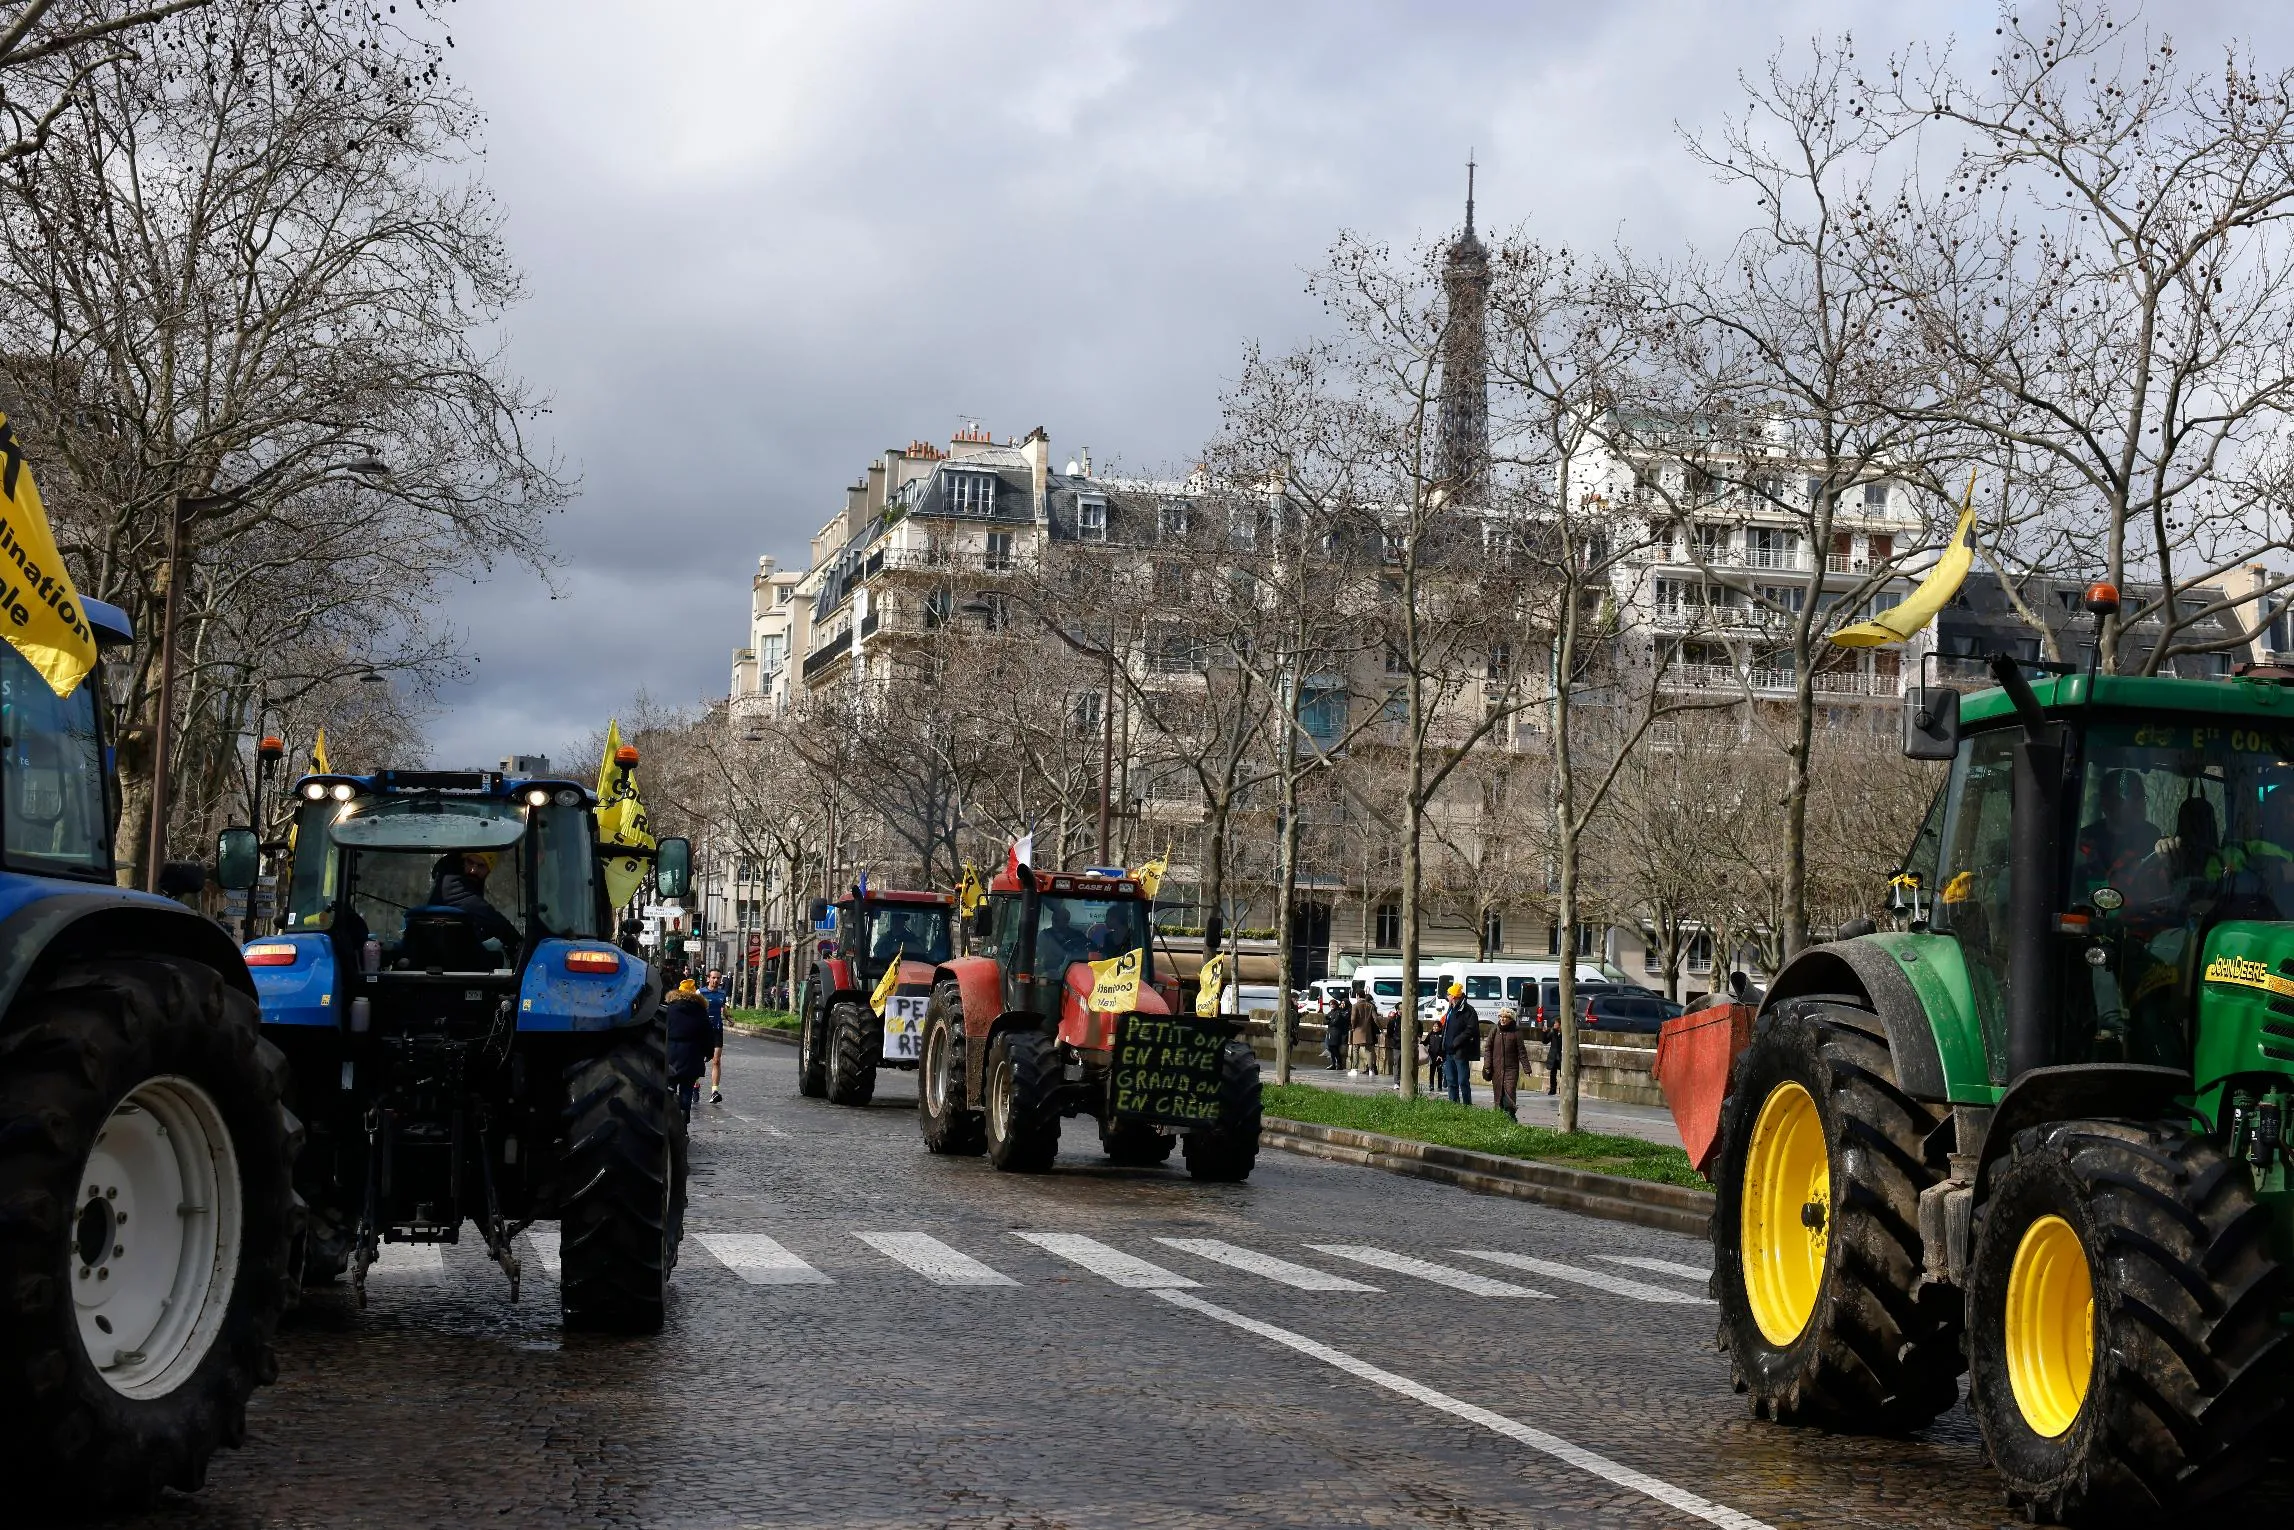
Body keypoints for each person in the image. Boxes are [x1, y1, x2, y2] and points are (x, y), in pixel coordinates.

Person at [425, 850, 522, 958]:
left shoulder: (465, 882)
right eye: (470, 862)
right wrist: (518, 942)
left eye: (481, 866)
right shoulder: (450, 881)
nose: (473, 870)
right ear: (463, 862)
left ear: (489, 869)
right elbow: (484, 913)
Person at [664, 979, 715, 1122]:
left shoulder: (669, 1009)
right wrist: (708, 1053)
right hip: (692, 1056)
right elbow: (708, 1034)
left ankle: (668, 1120)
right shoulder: (700, 1011)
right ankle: (683, 1122)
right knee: (687, 1091)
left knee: (669, 1088)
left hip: (671, 1055)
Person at [1440, 981, 1480, 1105]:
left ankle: (1467, 1105)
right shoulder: (1450, 1009)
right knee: (1451, 1081)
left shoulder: (1468, 1010)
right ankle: (1454, 1106)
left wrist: (1456, 1042)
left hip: (1461, 1052)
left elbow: (1471, 1030)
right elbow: (1445, 1029)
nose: (1447, 997)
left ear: (1453, 996)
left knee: (1463, 1081)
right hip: (1448, 1052)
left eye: (1448, 994)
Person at [1484, 1005, 1525, 1120]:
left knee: (1509, 1091)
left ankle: (1511, 1117)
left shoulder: (1516, 1032)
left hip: (1511, 1069)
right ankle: (1500, 1117)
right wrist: (1487, 1065)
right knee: (1498, 1092)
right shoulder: (1495, 1030)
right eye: (1501, 1016)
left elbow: (1521, 1051)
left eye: (1505, 1017)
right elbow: (1488, 1048)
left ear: (1511, 1019)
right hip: (1496, 1068)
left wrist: (1527, 1068)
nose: (1502, 1019)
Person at [700, 968, 730, 1104]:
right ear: (708, 979)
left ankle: (714, 1091)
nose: (716, 980)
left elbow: (723, 1008)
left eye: (718, 978)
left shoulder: (722, 993)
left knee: (716, 1060)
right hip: (702, 1030)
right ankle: (695, 1085)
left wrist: (728, 1017)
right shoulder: (700, 993)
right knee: (699, 1059)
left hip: (717, 1030)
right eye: (713, 978)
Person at [1348, 985, 1378, 1076]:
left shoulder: (1355, 1006)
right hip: (1367, 1031)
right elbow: (1375, 1019)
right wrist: (1380, 1028)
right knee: (1369, 1050)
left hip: (1357, 1030)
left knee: (1355, 1049)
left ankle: (1355, 1069)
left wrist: (1353, 1027)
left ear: (1357, 995)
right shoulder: (1370, 1006)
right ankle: (1371, 1070)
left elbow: (1353, 1018)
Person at [1323, 988, 1349, 1070]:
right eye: (1330, 1004)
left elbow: (1335, 1022)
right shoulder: (1330, 1013)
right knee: (1330, 1048)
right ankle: (1334, 1063)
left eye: (1333, 1004)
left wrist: (1329, 1021)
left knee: (1335, 1048)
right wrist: (1329, 1021)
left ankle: (1339, 1063)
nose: (1332, 1006)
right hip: (1330, 1032)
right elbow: (1325, 1021)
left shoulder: (1338, 1012)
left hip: (1336, 1032)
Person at [1545, 1022, 1563, 1096]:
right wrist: (1544, 1033)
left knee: (1563, 1074)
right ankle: (1552, 1089)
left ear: (1560, 1025)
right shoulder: (1552, 1032)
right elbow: (1545, 1041)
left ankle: (1562, 1089)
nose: (1554, 1024)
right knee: (1552, 1073)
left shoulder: (1564, 1034)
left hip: (1561, 1056)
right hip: (1554, 1056)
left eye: (1556, 1023)